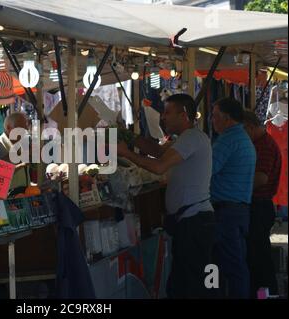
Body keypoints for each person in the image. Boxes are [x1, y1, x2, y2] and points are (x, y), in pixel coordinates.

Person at [117, 94, 215, 298]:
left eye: (168, 112)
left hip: (195, 222)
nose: (163, 117)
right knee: (183, 281)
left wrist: (127, 153)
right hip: (189, 222)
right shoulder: (185, 139)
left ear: (184, 114)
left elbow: (159, 166)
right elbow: (158, 151)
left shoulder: (192, 138)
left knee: (194, 282)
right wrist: (129, 137)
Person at [210, 98, 256, 299]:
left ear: (226, 118)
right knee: (234, 263)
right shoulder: (243, 139)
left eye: (214, 115)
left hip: (225, 212)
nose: (211, 120)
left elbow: (206, 169)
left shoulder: (229, 140)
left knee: (225, 265)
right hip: (237, 210)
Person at [243, 111, 281, 297]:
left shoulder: (264, 145)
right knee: (257, 255)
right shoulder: (259, 143)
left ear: (250, 127)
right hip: (258, 205)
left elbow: (261, 178)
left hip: (259, 205)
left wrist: (236, 187)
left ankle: (266, 292)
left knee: (259, 257)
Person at [0, 112, 31, 191]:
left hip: (25, 194)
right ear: (9, 128)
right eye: (21, 128)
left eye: (26, 127)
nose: (26, 131)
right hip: (7, 197)